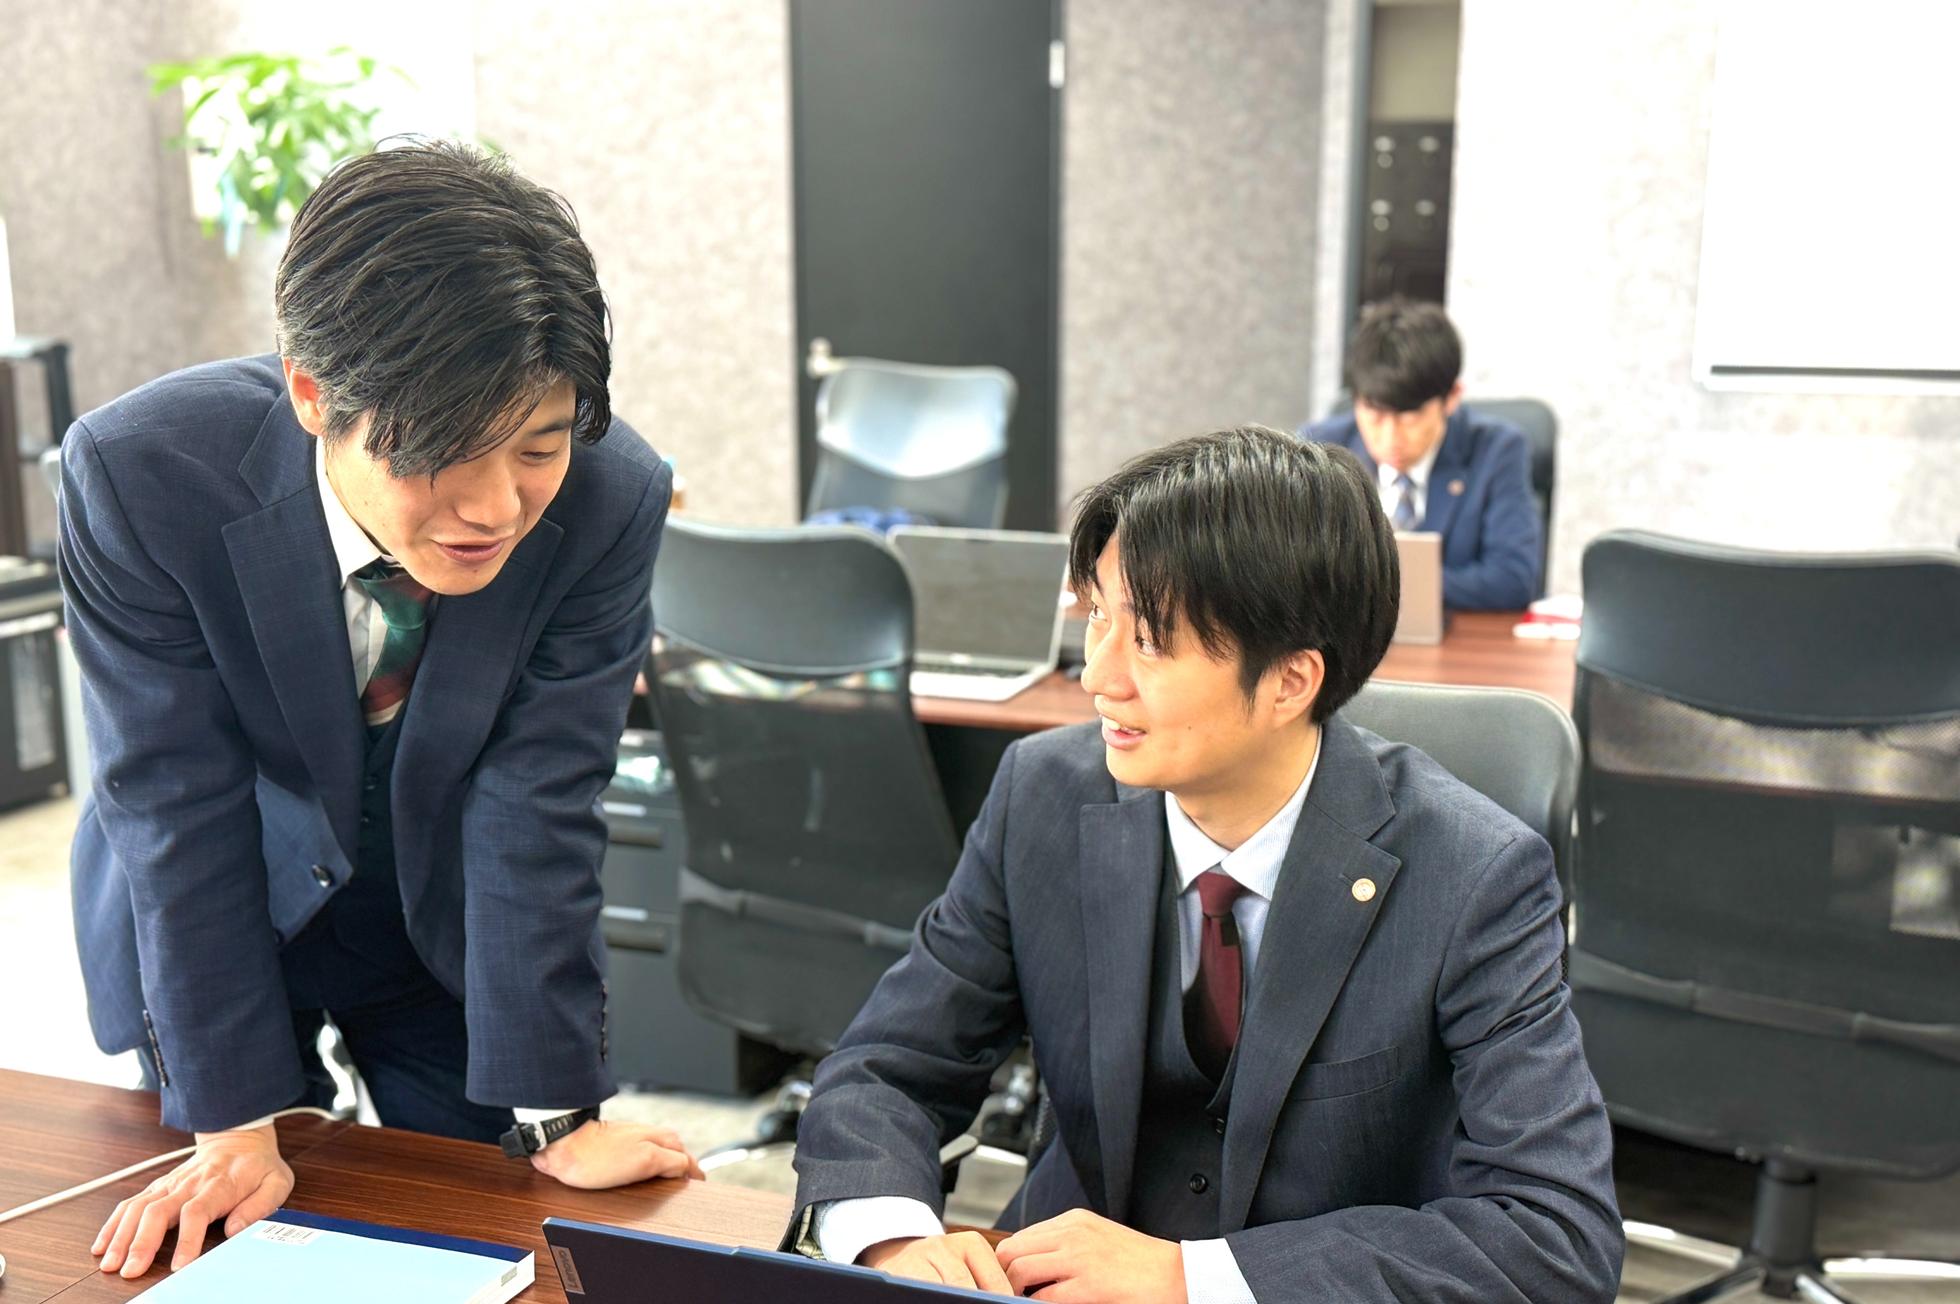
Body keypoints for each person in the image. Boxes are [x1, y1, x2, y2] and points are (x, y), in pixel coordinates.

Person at [776, 427, 1622, 1301]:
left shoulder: (1475, 875)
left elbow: (1554, 1233)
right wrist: (891, 1240)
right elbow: (888, 1069)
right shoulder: (1043, 796)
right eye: (1096, 617)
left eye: (1149, 640)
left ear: (1291, 681)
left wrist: (1194, 1279)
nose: (1097, 676)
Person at [61, 142, 700, 1282]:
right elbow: (174, 799)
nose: (496, 508)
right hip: (225, 899)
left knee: (494, 1231)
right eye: (445, 454)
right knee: (236, 1232)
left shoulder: (611, 500)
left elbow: (541, 797)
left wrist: (557, 1111)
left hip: (443, 919)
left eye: (538, 447)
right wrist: (234, 1122)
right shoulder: (141, 474)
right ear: (314, 394)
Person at [1300, 297, 1543, 610]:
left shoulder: (1497, 450)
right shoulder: (1319, 449)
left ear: (1452, 398)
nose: (1391, 438)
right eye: (1375, 415)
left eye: (1410, 418)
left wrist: (1375, 581)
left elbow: (1512, 581)